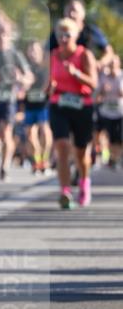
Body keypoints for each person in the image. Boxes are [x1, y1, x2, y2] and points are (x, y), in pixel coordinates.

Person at [49, 17, 98, 208]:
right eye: (60, 34)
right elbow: (45, 84)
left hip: (81, 105)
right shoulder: (52, 56)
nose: (63, 37)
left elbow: (93, 84)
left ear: (76, 35)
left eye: (67, 34)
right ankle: (65, 191)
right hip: (59, 104)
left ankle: (85, 182)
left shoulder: (84, 55)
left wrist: (76, 74)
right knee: (62, 147)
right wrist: (49, 87)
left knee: (80, 153)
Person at [0, 20, 33, 180]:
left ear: (9, 34)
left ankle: (4, 166)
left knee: (6, 133)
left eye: (5, 32)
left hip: (8, 100)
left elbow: (29, 78)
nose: (2, 35)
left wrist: (21, 79)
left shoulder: (15, 54)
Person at [49, 0, 114, 68]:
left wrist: (99, 64)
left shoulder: (91, 31)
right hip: (62, 74)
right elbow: (46, 54)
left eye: (74, 11)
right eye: (68, 11)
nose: (71, 14)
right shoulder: (57, 33)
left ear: (83, 13)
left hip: (87, 73)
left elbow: (109, 52)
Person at [23, 40, 52, 174]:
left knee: (45, 131)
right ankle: (37, 161)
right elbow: (20, 85)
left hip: (43, 106)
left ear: (40, 52)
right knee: (30, 136)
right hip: (29, 106)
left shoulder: (47, 68)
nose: (33, 54)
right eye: (31, 51)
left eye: (35, 51)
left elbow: (52, 85)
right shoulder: (26, 68)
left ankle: (45, 160)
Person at [95, 54, 123, 169]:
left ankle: (116, 157)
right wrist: (102, 91)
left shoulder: (121, 76)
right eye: (110, 64)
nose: (112, 66)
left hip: (120, 111)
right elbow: (97, 94)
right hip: (107, 112)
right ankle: (113, 158)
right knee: (110, 137)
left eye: (114, 64)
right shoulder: (103, 77)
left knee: (120, 138)